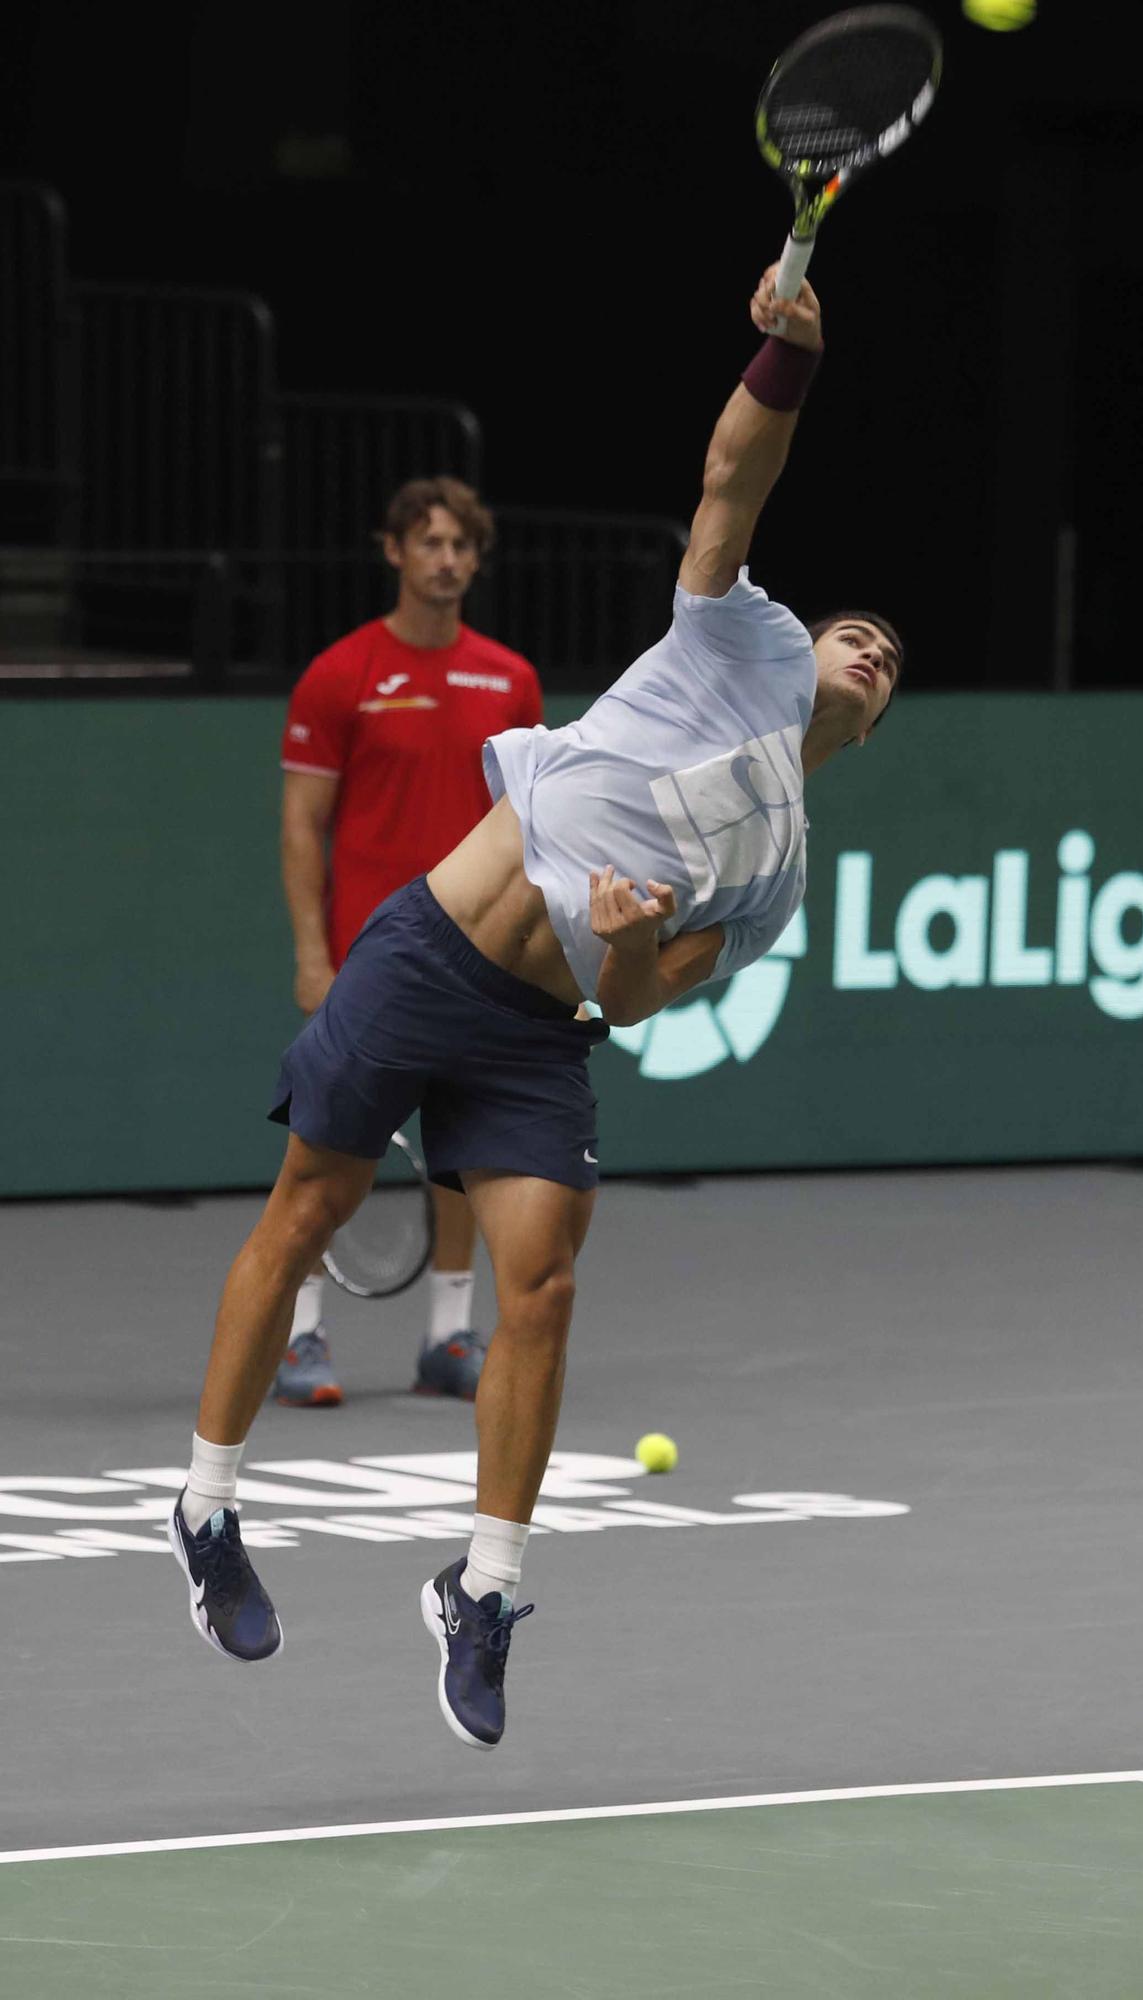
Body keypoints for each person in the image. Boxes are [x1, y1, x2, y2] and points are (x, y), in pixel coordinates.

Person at [168, 264, 903, 1751]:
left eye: (890, 664)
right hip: (428, 945)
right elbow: (729, 477)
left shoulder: (771, 877)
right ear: (806, 646)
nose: (869, 652)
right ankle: (203, 1507)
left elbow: (634, 1005)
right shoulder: (737, 639)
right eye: (857, 633)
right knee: (305, 1210)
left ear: (872, 720)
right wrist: (784, 365)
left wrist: (625, 946)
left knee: (544, 1287)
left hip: (536, 1033)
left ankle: (485, 1590)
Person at [278, 477, 542, 1406]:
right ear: (392, 551)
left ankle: (447, 1337)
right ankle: (300, 1336)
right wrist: (315, 955)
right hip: (368, 958)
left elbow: (528, 828)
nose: (445, 560)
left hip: (480, 957)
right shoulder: (340, 674)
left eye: (461, 546)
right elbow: (301, 826)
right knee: (329, 1151)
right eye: (427, 543)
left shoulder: (509, 679)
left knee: (462, 1152)